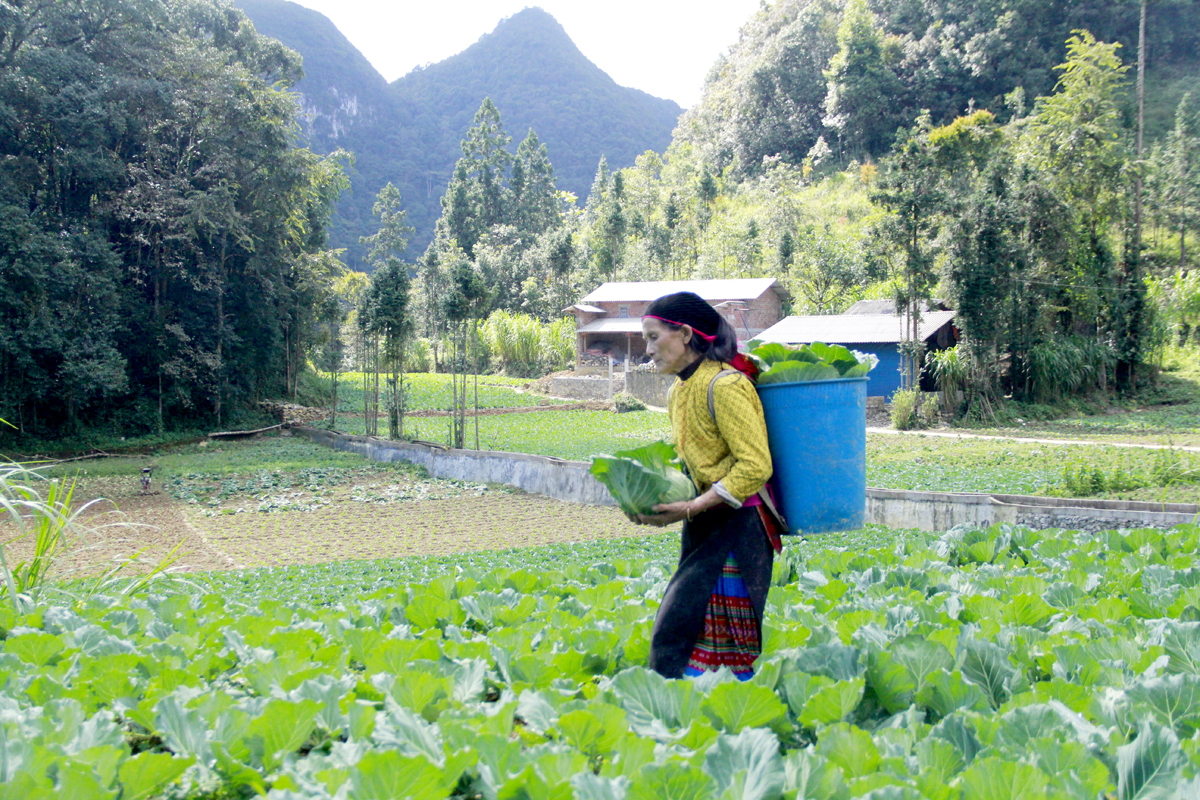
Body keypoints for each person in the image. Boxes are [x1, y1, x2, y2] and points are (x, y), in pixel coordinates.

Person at [632, 291, 782, 680]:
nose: (647, 349)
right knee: (683, 623)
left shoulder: (726, 386)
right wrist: (653, 502)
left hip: (739, 529)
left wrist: (690, 508)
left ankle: (729, 718)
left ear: (683, 334)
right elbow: (693, 465)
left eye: (653, 337)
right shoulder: (678, 392)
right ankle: (687, 712)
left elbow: (755, 465)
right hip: (702, 524)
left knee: (726, 643)